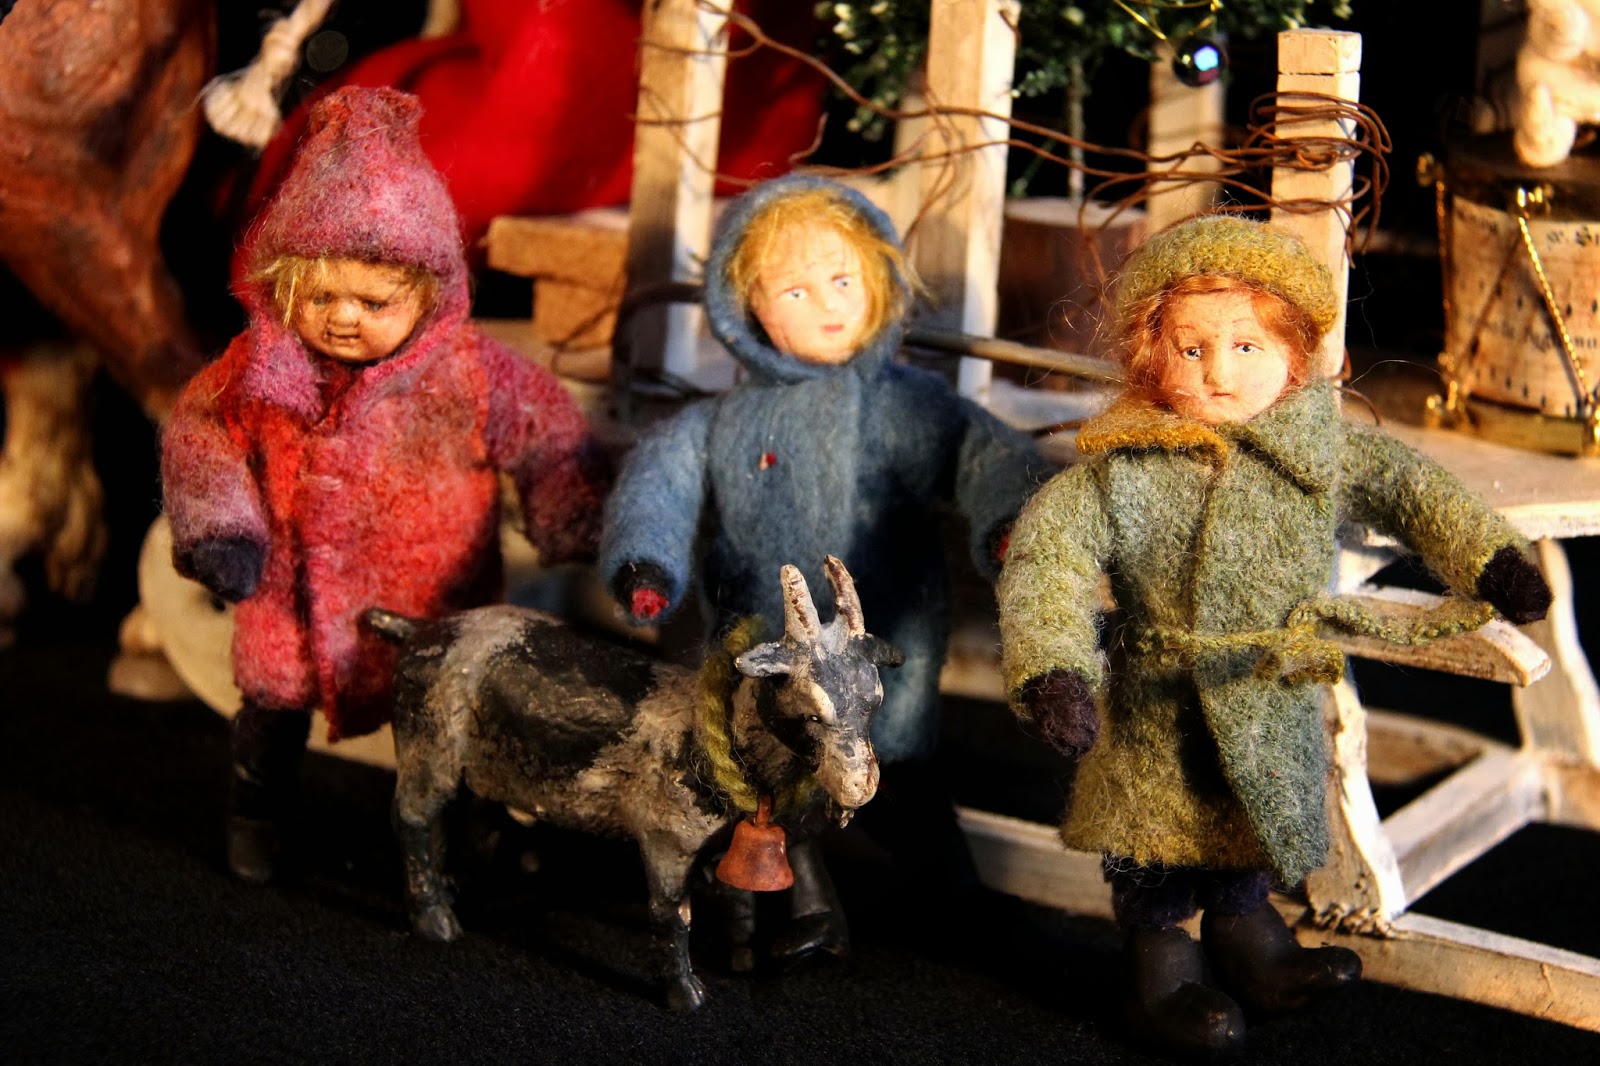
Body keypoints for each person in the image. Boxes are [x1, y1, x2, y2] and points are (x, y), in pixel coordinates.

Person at [997, 215, 1552, 1056]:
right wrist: (1054, 669)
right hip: (1161, 701)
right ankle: (1159, 971)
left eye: (1246, 346)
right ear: (1151, 353)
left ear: (1293, 355)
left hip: (1269, 683)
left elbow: (1411, 488)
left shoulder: (1317, 450)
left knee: (1252, 821)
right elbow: (1050, 560)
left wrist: (1490, 558)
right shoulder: (1121, 470)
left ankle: (1251, 944)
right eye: (1190, 349)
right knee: (1153, 848)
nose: (1218, 373)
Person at [161, 87, 607, 883]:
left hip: (430, 594)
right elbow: (200, 436)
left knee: (450, 718)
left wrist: (566, 509)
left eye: (374, 302)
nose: (343, 318)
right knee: (271, 707)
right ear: (283, 285)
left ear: (430, 292)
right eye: (319, 297)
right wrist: (223, 527)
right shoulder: (257, 371)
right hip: (288, 593)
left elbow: (547, 433)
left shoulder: (468, 373)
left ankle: (471, 828)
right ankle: (256, 815)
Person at [599, 175, 1046, 956]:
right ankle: (789, 911)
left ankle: (952, 897)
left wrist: (1010, 521)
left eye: (843, 279)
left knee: (894, 769)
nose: (829, 305)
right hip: (764, 635)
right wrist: (648, 562)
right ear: (746, 308)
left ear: (878, 278)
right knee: (765, 767)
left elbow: (984, 454)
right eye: (795, 291)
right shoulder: (727, 421)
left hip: (881, 637)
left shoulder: (904, 404)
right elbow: (658, 481)